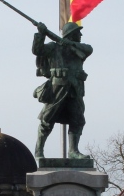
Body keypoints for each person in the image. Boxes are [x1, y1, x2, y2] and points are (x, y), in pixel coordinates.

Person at [32, 21, 93, 160]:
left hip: (75, 89)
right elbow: (38, 50)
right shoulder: (54, 47)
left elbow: (89, 49)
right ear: (72, 34)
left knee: (77, 120)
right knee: (47, 119)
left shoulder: (79, 50)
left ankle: (73, 151)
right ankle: (39, 150)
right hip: (57, 89)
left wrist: (70, 44)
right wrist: (41, 34)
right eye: (78, 32)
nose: (81, 34)